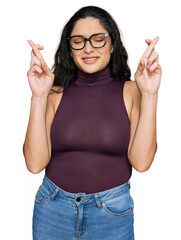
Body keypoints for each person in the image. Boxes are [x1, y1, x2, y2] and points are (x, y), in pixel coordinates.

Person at [23, 5, 162, 240]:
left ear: (112, 44)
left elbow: (142, 163)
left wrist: (149, 95)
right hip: (52, 210)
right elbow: (35, 164)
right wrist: (39, 96)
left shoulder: (132, 91)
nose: (88, 48)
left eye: (98, 39)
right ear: (70, 48)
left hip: (112, 213)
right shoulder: (53, 93)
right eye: (78, 41)